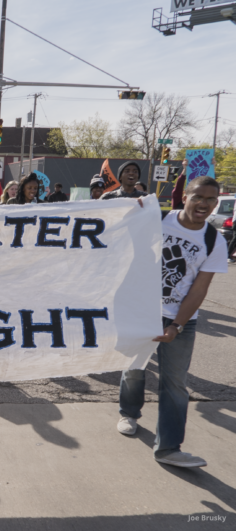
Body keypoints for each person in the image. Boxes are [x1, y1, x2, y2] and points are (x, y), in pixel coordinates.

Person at [118, 176, 228, 468]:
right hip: (142, 310)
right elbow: (116, 231)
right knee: (134, 370)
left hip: (181, 320)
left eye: (210, 199)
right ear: (185, 197)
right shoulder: (159, 219)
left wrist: (176, 325)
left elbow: (199, 289)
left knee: (175, 384)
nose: (203, 204)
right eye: (198, 197)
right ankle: (129, 414)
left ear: (216, 203)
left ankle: (168, 448)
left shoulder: (213, 240)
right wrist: (134, 208)